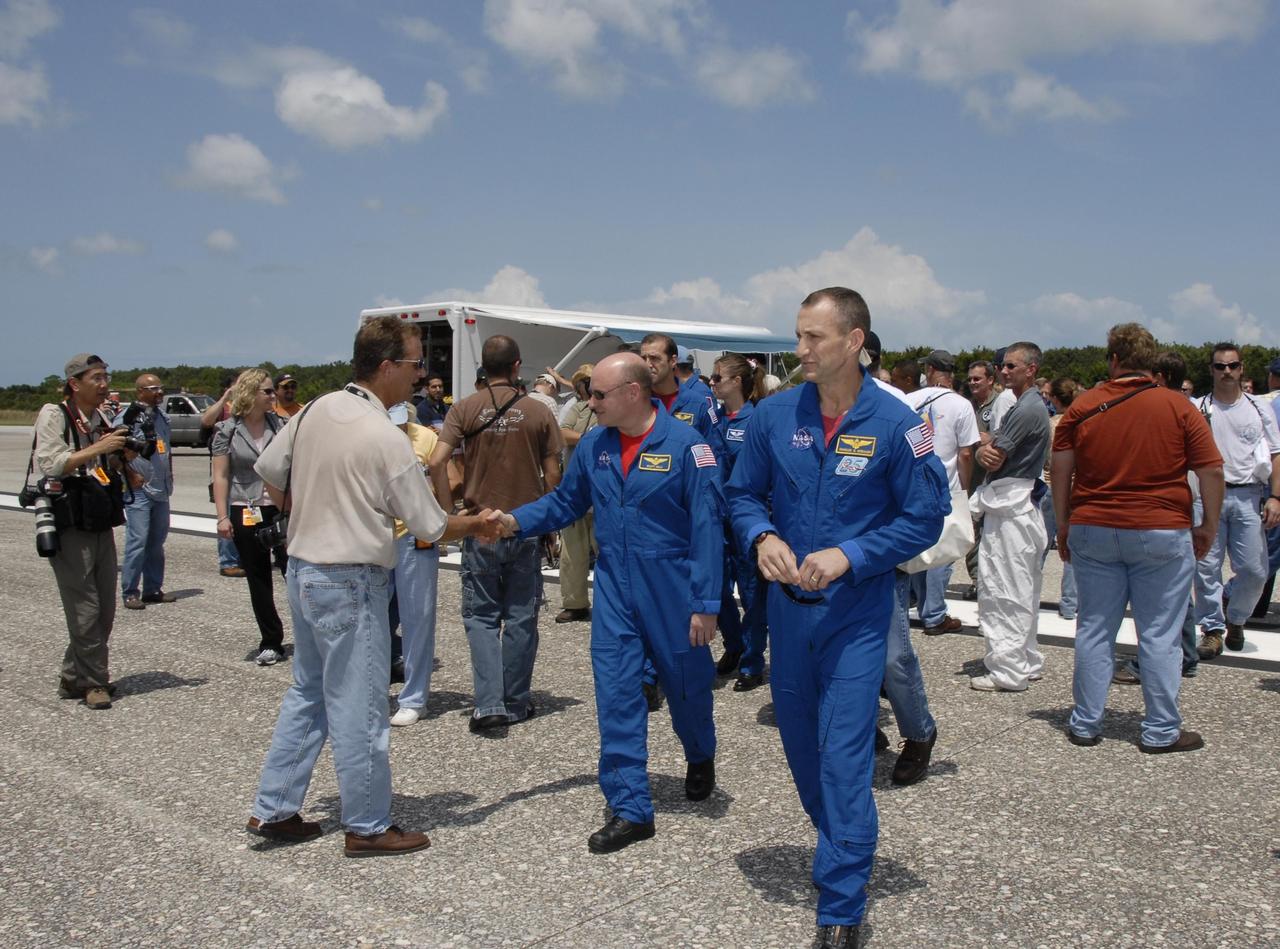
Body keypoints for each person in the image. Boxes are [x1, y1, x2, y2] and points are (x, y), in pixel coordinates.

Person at [727, 288, 948, 949]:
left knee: (846, 757)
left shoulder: (903, 421)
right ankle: (848, 841)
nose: (799, 351)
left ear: (854, 341)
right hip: (788, 620)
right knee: (803, 752)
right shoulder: (772, 416)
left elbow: (926, 515)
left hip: (857, 617)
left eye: (813, 338)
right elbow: (739, 492)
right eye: (798, 336)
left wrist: (851, 554)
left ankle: (842, 901)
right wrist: (762, 535)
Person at [246, 315, 496, 857]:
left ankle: (275, 809)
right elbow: (428, 524)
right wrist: (476, 523)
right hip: (351, 579)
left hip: (303, 568)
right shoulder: (383, 436)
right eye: (413, 364)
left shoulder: (314, 409)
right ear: (386, 367)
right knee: (360, 703)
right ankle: (367, 824)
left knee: (308, 692)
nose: (419, 375)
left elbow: (269, 471)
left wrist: (316, 505)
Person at [489, 352, 724, 855]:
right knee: (616, 691)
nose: (588, 403)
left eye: (598, 394)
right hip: (616, 582)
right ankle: (630, 807)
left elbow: (708, 528)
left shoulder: (689, 448)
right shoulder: (596, 445)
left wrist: (706, 604)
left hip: (673, 587)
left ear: (632, 393)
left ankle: (700, 754)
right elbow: (565, 503)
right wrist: (514, 521)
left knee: (688, 688)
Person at [1052, 323, 1223, 753]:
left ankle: (1086, 722)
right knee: (1159, 632)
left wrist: (1064, 523)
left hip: (1093, 522)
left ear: (1113, 360)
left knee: (1094, 628)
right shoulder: (1179, 407)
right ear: (1152, 364)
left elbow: (1060, 470)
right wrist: (1208, 526)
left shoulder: (1083, 406)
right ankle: (1161, 729)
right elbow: (1212, 471)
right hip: (1160, 527)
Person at [428, 335, 563, 732]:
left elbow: (437, 461)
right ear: (518, 366)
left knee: (483, 617)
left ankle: (488, 704)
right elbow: (553, 474)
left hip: (478, 522)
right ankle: (516, 702)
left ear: (484, 368)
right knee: (521, 616)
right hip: (524, 523)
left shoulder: (464, 408)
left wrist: (448, 513)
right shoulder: (539, 412)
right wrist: (550, 525)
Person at [32, 353, 129, 710]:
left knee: (104, 608)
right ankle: (94, 682)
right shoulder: (55, 414)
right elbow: (52, 463)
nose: (105, 385)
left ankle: (74, 675)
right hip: (70, 521)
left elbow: (101, 463)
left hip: (99, 517)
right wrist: (100, 448)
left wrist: (120, 458)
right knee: (84, 608)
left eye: (106, 377)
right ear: (75, 383)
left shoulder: (100, 416)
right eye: (97, 378)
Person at [971, 342, 1052, 692]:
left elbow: (994, 456)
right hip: (1016, 502)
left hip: (1010, 506)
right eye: (1002, 366)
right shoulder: (1028, 405)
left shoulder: (1026, 409)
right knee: (1021, 587)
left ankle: (1008, 670)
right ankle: (1025, 659)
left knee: (1003, 589)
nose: (1004, 372)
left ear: (1031, 369)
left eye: (1011, 366)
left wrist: (982, 449)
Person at [1191, 343, 1280, 657]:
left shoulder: (1259, 407)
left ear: (1242, 369)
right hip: (1206, 495)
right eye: (1220, 366)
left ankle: (1237, 616)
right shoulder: (1198, 406)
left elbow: (1274, 453)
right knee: (1206, 567)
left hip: (1247, 494)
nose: (1226, 372)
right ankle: (1212, 629)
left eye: (1232, 366)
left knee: (1256, 570)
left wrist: (1276, 497)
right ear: (1211, 370)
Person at [212, 369, 288, 666]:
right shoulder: (227, 430)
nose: (273, 396)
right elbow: (220, 475)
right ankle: (271, 641)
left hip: (279, 506)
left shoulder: (281, 425)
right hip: (244, 506)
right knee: (258, 578)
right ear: (250, 394)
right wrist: (221, 517)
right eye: (267, 391)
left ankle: (311, 637)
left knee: (293, 571)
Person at [709, 353, 768, 691]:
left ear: (736, 381)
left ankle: (752, 661)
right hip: (715, 518)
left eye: (717, 378)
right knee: (715, 589)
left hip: (745, 520)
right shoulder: (713, 418)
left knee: (751, 594)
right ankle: (735, 644)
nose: (712, 383)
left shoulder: (755, 420)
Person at [909, 350, 979, 636]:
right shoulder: (962, 405)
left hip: (912, 484)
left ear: (932, 369)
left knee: (916, 547)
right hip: (945, 484)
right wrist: (965, 488)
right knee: (943, 553)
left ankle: (918, 604)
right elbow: (965, 453)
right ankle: (935, 612)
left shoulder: (910, 399)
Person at [386, 401, 442, 727]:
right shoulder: (370, 436)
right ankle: (374, 689)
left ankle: (414, 697)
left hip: (415, 537)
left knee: (417, 617)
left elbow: (445, 481)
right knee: (375, 619)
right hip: (376, 535)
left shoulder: (426, 438)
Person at [115, 373, 176, 611]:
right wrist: (130, 475)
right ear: (140, 391)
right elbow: (115, 453)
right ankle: (130, 591)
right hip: (139, 489)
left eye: (160, 388)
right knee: (137, 541)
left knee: (157, 542)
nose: (159, 392)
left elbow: (166, 449)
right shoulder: (128, 417)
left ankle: (153, 589)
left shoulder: (162, 417)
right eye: (153, 389)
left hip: (161, 488)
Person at [962, 359, 1016, 595]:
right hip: (971, 480)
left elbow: (1010, 434)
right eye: (970, 379)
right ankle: (977, 579)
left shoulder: (1002, 403)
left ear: (991, 380)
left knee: (992, 533)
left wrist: (990, 438)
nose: (972, 383)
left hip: (994, 480)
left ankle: (992, 581)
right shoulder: (967, 406)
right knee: (972, 531)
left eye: (977, 378)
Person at [554, 363, 598, 624]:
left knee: (606, 550)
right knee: (571, 552)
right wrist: (588, 437)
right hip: (576, 490)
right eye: (585, 382)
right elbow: (560, 433)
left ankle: (611, 603)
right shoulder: (576, 408)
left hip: (601, 491)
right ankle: (575, 602)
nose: (587, 386)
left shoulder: (609, 409)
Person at [639, 333, 724, 459]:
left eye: (654, 358)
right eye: (643, 358)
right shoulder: (636, 402)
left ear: (673, 361)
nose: (648, 364)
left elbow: (715, 453)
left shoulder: (698, 404)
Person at [1040, 378, 1080, 621]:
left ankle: (1031, 596)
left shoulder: (1050, 424)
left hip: (1048, 486)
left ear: (1054, 399)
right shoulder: (1079, 423)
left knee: (1040, 547)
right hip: (1075, 488)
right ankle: (1069, 604)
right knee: (1072, 550)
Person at [202, 377, 245, 578]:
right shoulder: (223, 408)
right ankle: (228, 561)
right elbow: (206, 421)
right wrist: (225, 397)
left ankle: (242, 556)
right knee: (227, 514)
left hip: (245, 472)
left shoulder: (247, 409)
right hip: (225, 470)